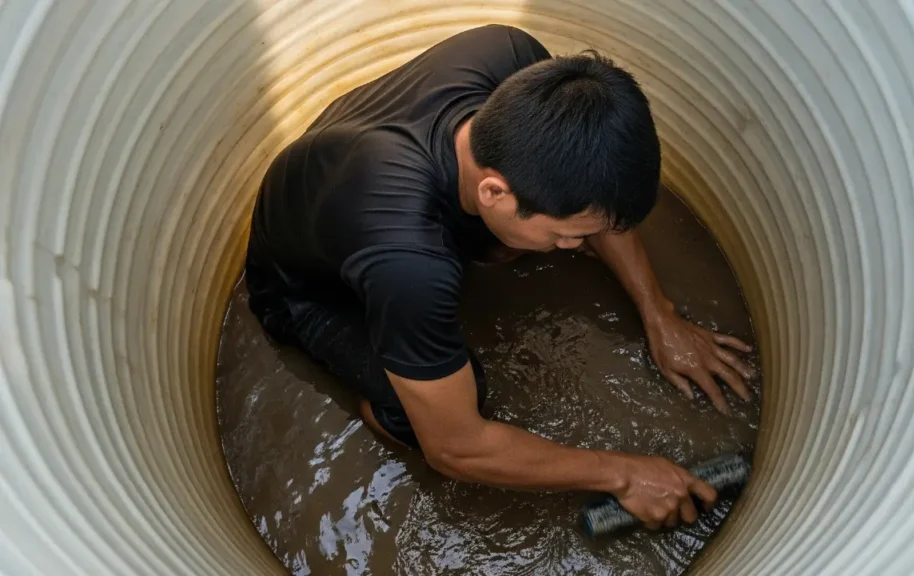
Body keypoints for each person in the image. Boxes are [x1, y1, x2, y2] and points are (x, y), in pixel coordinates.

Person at [246, 25, 755, 531]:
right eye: (566, 234)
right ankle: (388, 408)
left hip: (341, 177)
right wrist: (623, 476)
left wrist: (657, 312)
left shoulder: (514, 61)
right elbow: (456, 448)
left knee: (523, 248)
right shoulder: (411, 265)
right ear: (494, 192)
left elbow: (590, 197)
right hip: (306, 286)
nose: (575, 246)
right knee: (452, 404)